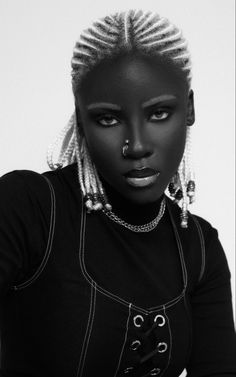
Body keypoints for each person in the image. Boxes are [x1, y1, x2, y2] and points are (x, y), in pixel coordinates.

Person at [0, 8, 235, 377]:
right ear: (80, 120)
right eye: (108, 119)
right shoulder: (27, 208)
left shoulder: (200, 248)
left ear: (188, 109)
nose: (137, 145)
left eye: (159, 113)